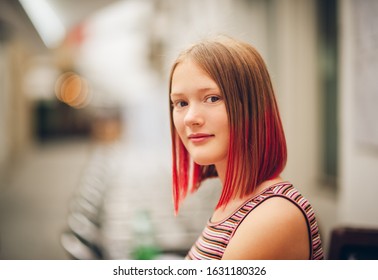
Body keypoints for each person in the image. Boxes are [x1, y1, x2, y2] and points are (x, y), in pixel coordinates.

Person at [168, 35, 324, 260]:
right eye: (181, 103)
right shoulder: (235, 202)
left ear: (253, 108)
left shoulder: (274, 214)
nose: (190, 118)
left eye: (212, 98)